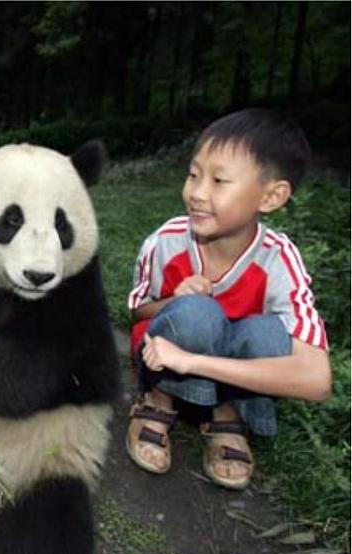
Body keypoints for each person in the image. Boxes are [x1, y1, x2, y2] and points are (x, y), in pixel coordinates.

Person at [126, 108, 332, 490]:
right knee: (194, 314)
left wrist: (194, 362)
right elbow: (137, 309)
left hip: (205, 360)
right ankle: (158, 402)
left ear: (271, 196)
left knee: (272, 335)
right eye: (193, 174)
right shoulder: (166, 241)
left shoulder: (278, 258)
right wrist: (171, 300)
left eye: (219, 180)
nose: (196, 193)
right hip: (164, 360)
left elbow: (316, 379)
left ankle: (228, 413)